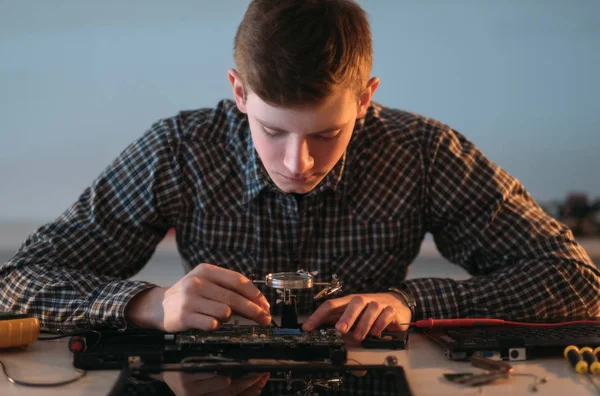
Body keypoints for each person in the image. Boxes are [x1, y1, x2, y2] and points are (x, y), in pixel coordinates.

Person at [1, 0, 598, 343]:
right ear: (239, 92)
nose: (298, 163)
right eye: (272, 130)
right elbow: (15, 284)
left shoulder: (423, 150)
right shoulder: (179, 149)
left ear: (366, 98)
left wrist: (410, 300)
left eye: (327, 133)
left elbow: (577, 281)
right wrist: (146, 305)